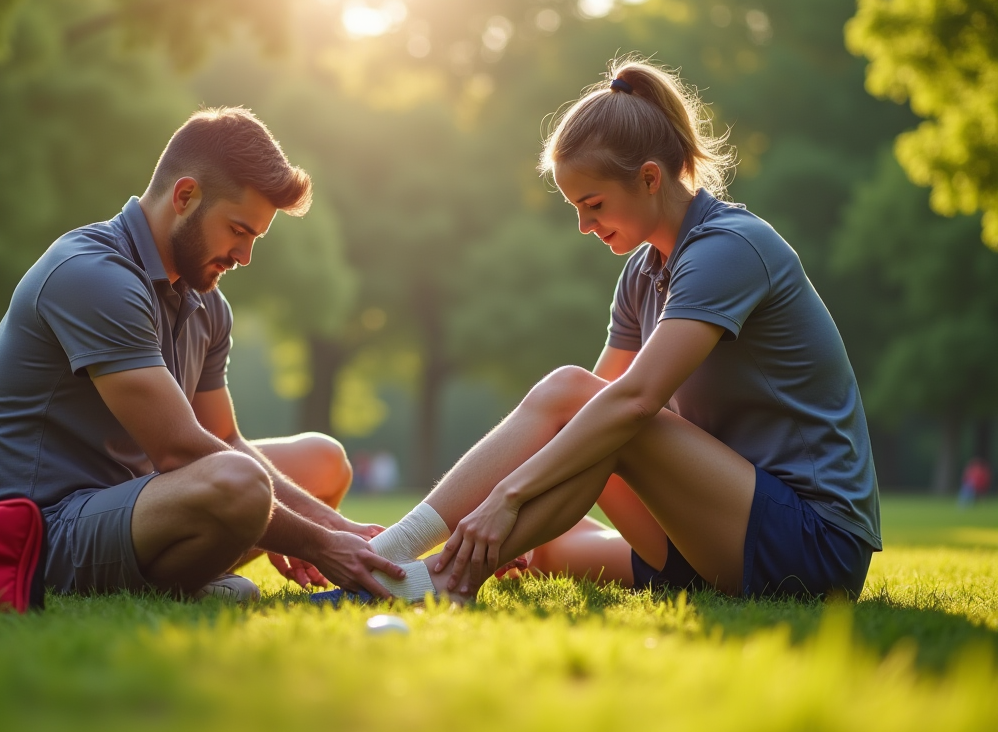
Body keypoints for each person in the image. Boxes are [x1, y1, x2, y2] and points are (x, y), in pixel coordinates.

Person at [322, 57, 882, 603]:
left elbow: (630, 404)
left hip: (812, 546)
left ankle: (416, 578)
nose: (584, 225)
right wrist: (502, 515)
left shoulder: (728, 249)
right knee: (544, 550)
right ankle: (391, 558)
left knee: (583, 403)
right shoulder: (643, 271)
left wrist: (507, 497)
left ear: (649, 178)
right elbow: (578, 426)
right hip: (716, 532)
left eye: (592, 204)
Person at [0, 108, 409, 602]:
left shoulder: (206, 302)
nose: (244, 257)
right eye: (238, 230)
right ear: (185, 196)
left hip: (132, 505)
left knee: (325, 461)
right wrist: (323, 544)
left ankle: (192, 580)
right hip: (35, 534)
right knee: (241, 483)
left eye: (254, 238)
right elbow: (180, 450)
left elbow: (223, 437)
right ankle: (191, 586)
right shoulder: (92, 276)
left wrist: (340, 527)